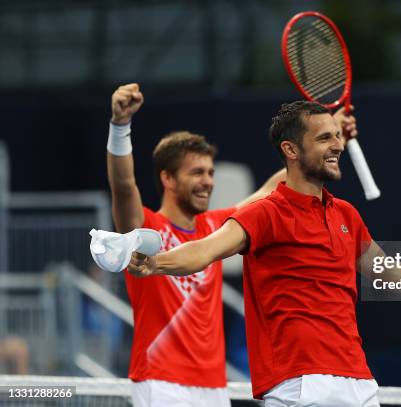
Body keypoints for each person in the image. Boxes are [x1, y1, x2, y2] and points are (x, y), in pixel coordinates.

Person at [126, 101, 401, 406]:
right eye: (324, 138)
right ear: (291, 150)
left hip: (358, 380)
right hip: (300, 385)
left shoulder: (346, 215)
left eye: (337, 136)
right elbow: (204, 251)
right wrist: (155, 263)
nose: (337, 145)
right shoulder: (264, 213)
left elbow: (389, 273)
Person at [108, 86, 355, 407]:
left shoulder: (218, 225)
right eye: (196, 172)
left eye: (210, 172)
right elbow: (124, 186)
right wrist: (120, 127)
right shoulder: (146, 231)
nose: (208, 181)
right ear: (167, 179)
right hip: (161, 382)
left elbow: (279, 183)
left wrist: (327, 139)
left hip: (214, 387)